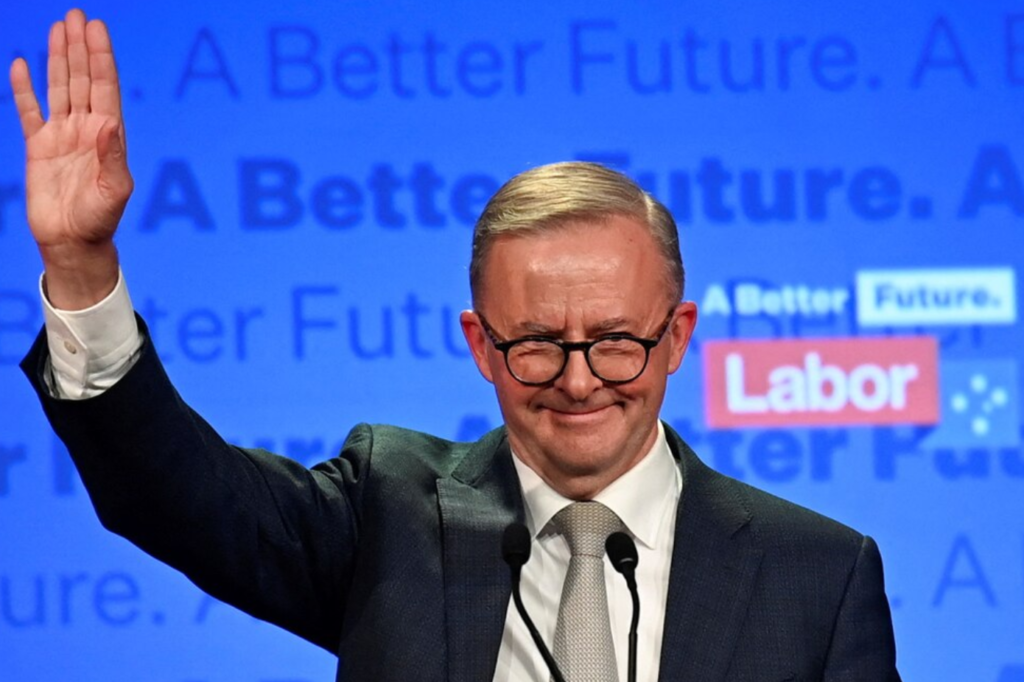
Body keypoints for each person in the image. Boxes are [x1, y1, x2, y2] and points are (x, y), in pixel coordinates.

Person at [12, 9, 901, 682]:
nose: (579, 382)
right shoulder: (391, 516)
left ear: (677, 337)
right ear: (480, 343)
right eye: (538, 343)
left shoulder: (818, 574)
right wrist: (82, 268)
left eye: (615, 341)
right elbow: (178, 497)